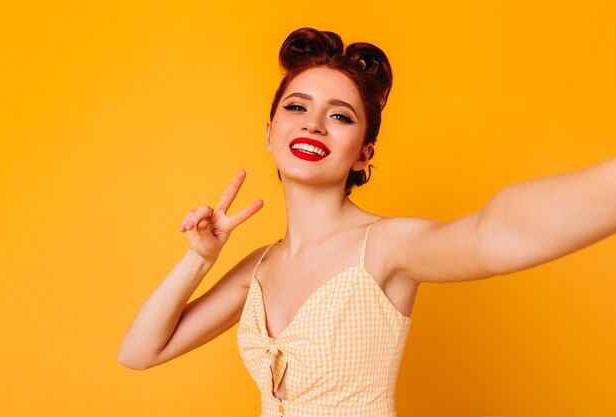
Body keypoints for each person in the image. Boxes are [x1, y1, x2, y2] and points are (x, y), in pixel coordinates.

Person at [118, 28, 616, 417]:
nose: (313, 123)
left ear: (363, 154)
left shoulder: (383, 247)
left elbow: (491, 234)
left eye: (340, 116)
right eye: (297, 107)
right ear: (271, 133)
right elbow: (139, 353)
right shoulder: (259, 268)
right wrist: (198, 259)